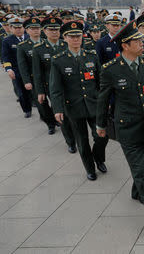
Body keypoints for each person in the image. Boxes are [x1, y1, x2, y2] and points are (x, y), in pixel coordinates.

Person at [96, 20, 144, 232]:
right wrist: (100, 125)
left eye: (140, 39)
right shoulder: (111, 70)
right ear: (125, 45)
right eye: (136, 40)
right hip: (127, 130)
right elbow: (103, 100)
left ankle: (136, 192)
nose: (142, 42)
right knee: (141, 173)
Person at [50, 21, 108, 180]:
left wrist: (105, 101)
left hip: (93, 104)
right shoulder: (58, 60)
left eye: (78, 36)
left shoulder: (91, 56)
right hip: (73, 107)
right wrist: (57, 109)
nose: (76, 39)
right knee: (82, 141)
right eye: (72, 36)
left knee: (102, 136)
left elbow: (101, 82)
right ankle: (90, 168)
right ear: (65, 38)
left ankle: (98, 158)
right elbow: (55, 88)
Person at [33, 16, 77, 153]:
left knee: (74, 113)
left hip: (71, 86)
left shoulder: (66, 45)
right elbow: (37, 73)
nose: (54, 32)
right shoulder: (38, 49)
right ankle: (70, 141)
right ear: (44, 31)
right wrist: (40, 91)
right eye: (51, 30)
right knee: (62, 114)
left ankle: (78, 135)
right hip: (52, 88)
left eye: (57, 29)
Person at [17, 17, 56, 134]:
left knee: (55, 101)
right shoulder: (23, 46)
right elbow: (22, 65)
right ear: (27, 30)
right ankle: (50, 123)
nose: (36, 31)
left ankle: (55, 118)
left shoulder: (46, 42)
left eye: (38, 28)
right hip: (34, 80)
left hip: (49, 79)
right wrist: (26, 81)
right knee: (42, 104)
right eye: (32, 28)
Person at [2, 17, 33, 118]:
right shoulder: (7, 41)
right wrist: (9, 69)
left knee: (35, 91)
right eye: (15, 28)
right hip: (17, 70)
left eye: (20, 27)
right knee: (22, 93)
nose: (18, 29)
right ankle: (27, 109)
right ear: (11, 29)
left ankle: (42, 111)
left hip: (31, 69)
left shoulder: (30, 38)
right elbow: (5, 57)